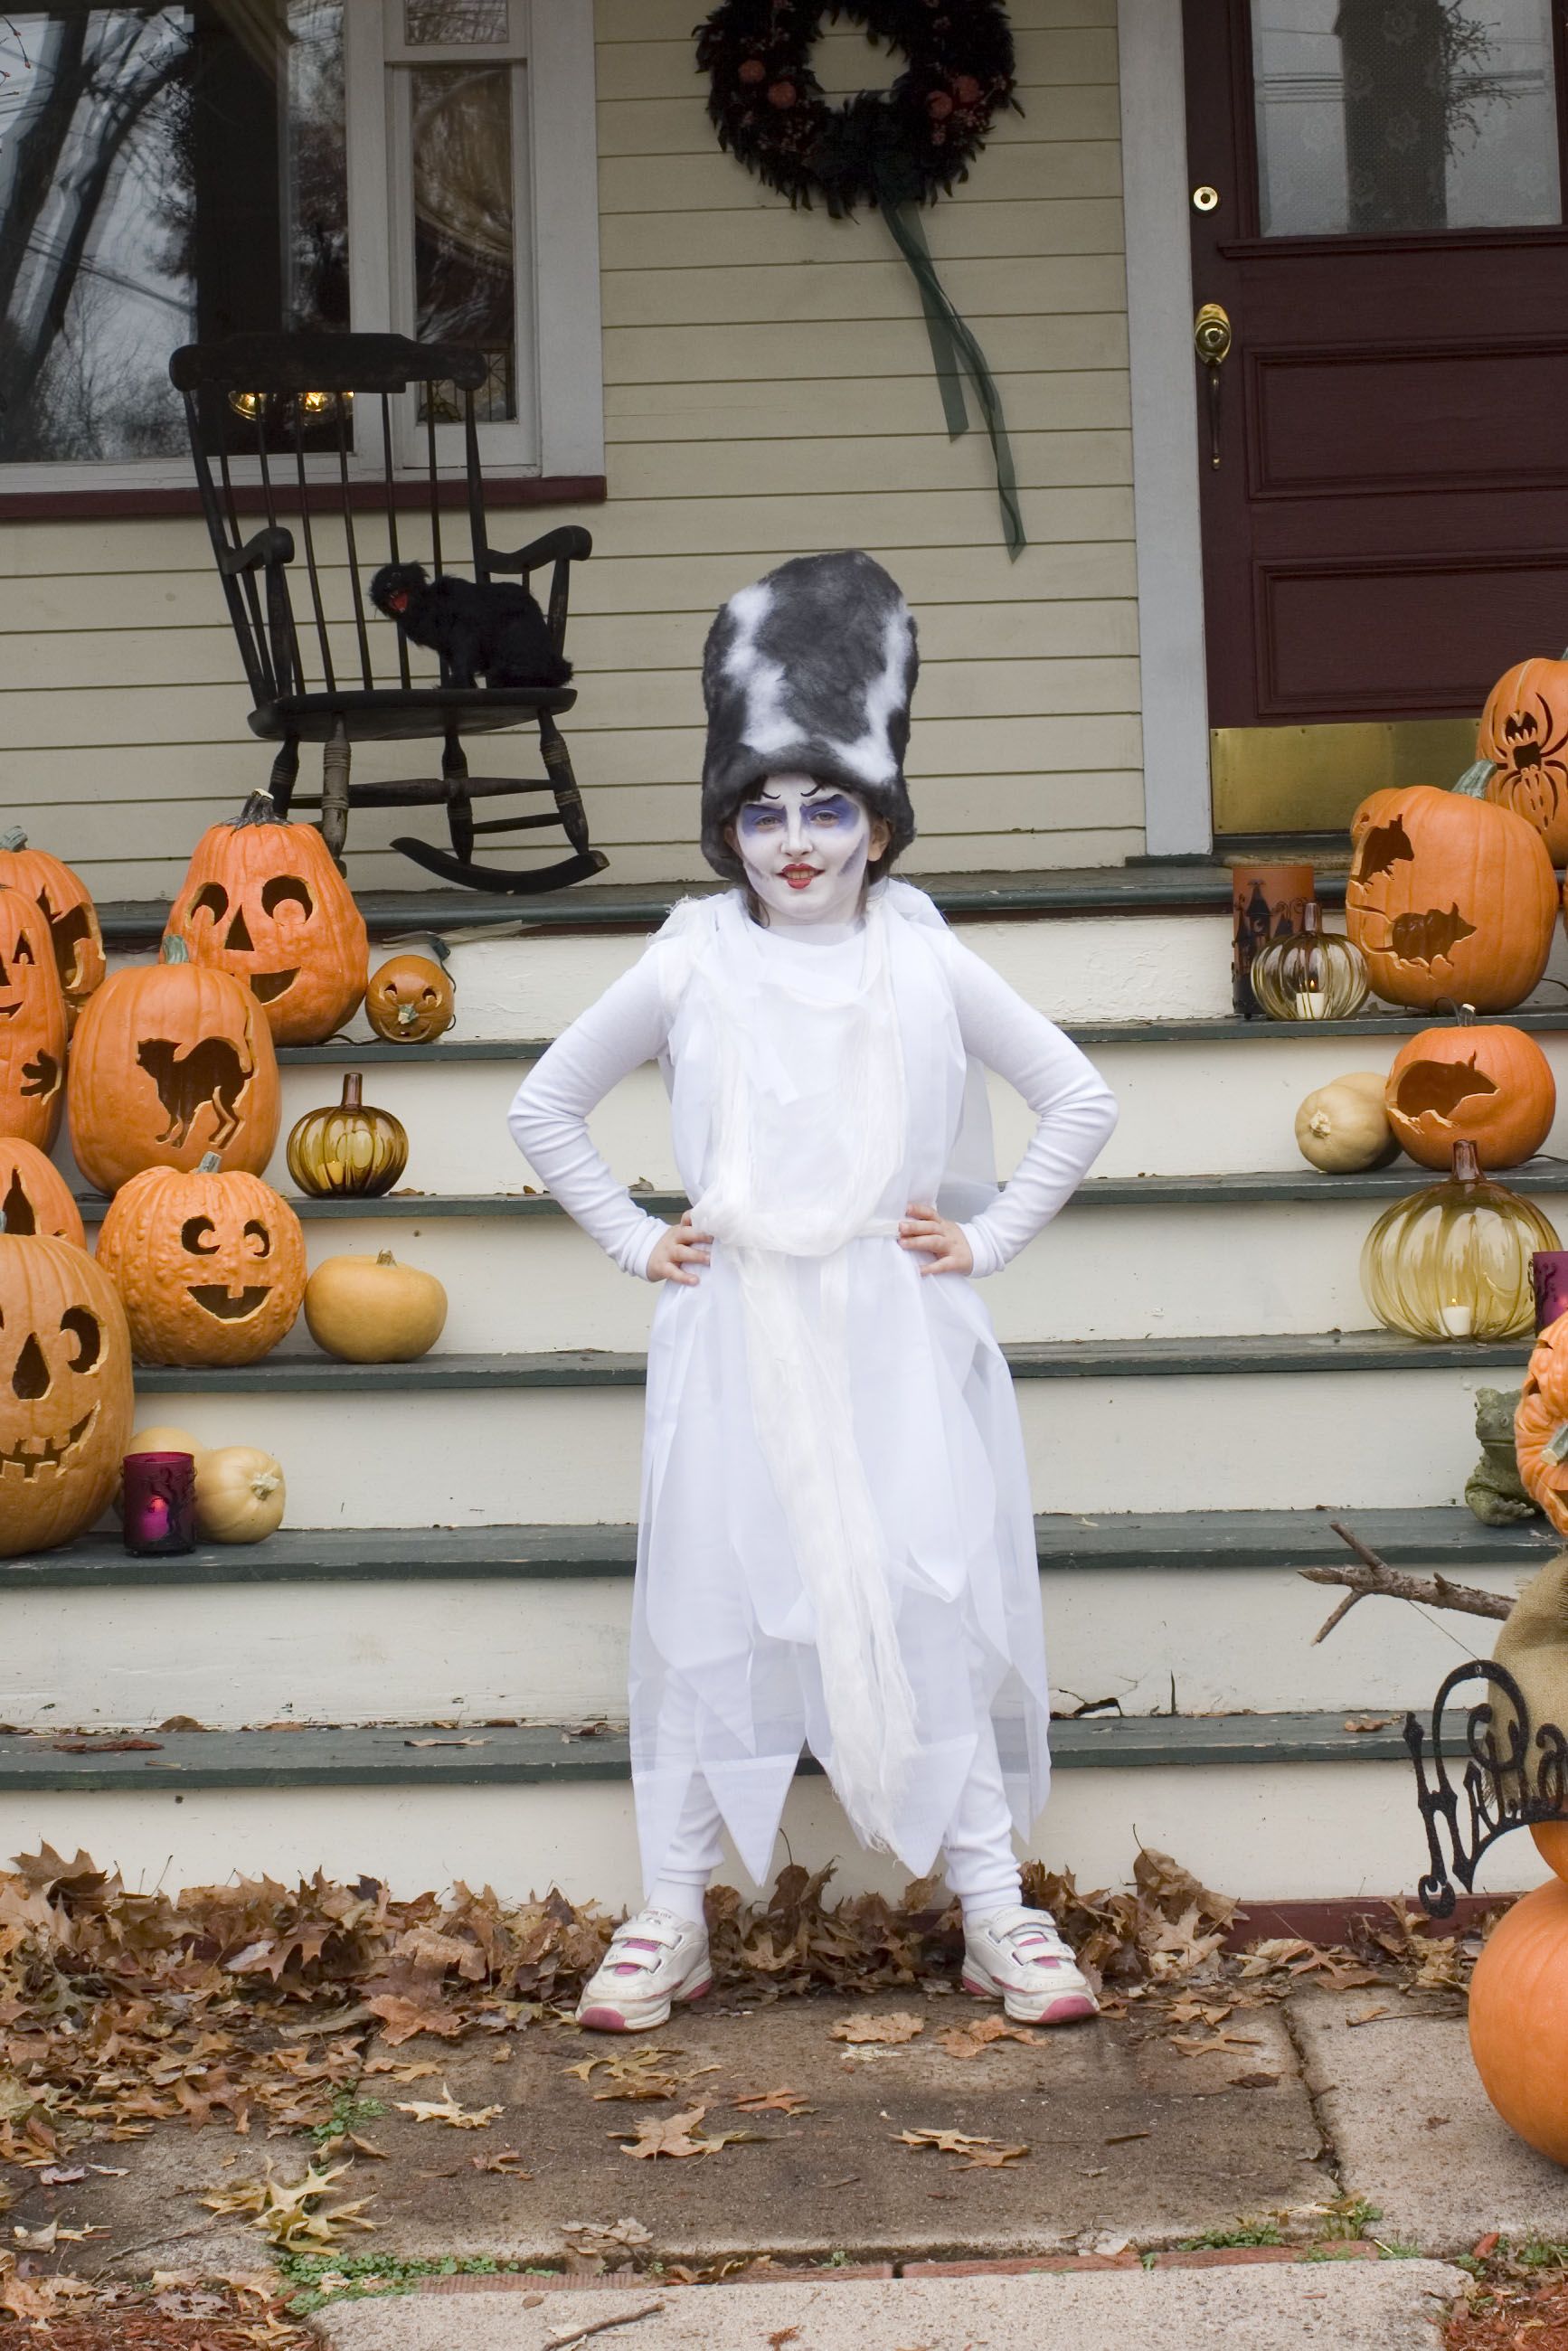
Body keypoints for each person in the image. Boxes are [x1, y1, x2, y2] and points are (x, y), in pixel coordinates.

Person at [508, 551, 1119, 2035]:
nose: (794, 842)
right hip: (737, 1334)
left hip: (890, 1332)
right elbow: (547, 1105)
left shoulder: (921, 958)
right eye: (763, 813)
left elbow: (1075, 1098)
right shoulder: (691, 959)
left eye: (825, 807)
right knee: (714, 1615)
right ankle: (670, 1913)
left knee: (922, 1597)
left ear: (878, 822)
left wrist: (981, 1241)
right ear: (729, 829)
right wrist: (637, 1236)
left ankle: (992, 1910)